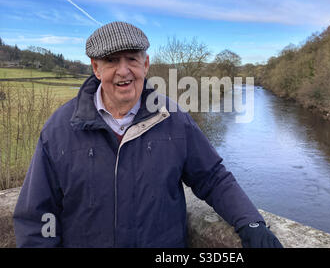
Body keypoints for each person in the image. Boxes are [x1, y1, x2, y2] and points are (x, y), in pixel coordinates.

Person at [13, 21, 283, 248]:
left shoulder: (174, 119)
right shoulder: (59, 129)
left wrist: (250, 222)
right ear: (96, 68)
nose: (123, 71)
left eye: (132, 59)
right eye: (111, 61)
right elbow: (36, 215)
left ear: (146, 64)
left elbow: (212, 177)